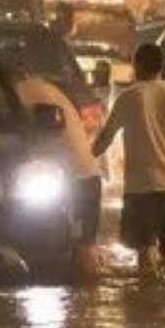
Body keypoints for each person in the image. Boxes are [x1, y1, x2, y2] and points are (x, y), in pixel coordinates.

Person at [92, 43, 165, 274]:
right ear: (161, 65)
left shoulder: (129, 97)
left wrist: (83, 160)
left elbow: (104, 140)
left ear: (137, 65)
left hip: (141, 187)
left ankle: (146, 301)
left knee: (144, 251)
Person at [12, 66, 104, 279]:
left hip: (74, 179)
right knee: (86, 246)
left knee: (81, 250)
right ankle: (89, 303)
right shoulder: (49, 89)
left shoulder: (19, 93)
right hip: (87, 176)